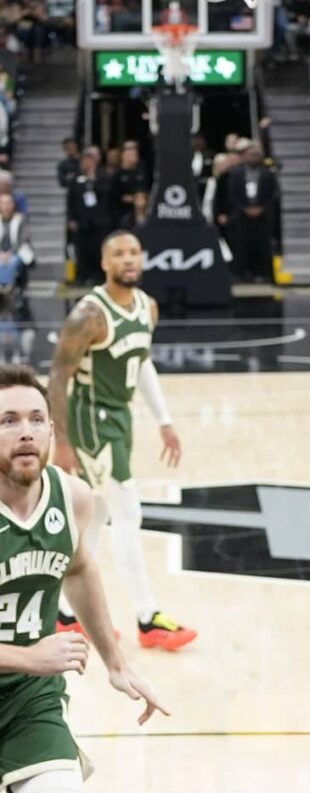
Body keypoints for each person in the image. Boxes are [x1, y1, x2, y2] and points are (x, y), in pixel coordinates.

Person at [0, 364, 168, 793]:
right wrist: (29, 655)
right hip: (29, 667)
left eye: (36, 419)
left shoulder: (71, 497)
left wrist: (117, 665)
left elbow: (78, 568)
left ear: (53, 430)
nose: (26, 432)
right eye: (8, 420)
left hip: (29, 702)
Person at [46, 231, 197, 651]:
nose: (128, 259)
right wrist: (60, 441)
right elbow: (57, 376)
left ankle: (65, 615)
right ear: (105, 262)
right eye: (119, 254)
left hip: (119, 417)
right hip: (90, 422)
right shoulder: (89, 315)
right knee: (127, 513)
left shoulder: (147, 307)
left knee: (95, 516)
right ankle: (148, 618)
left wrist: (164, 420)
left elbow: (141, 362)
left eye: (133, 252)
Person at [220, 143, 280, 282]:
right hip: (241, 215)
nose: (254, 157)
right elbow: (231, 194)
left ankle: (262, 274)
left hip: (262, 216)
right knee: (240, 246)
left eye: (257, 155)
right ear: (244, 156)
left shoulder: (268, 174)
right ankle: (239, 274)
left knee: (262, 247)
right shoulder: (235, 173)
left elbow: (273, 195)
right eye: (251, 154)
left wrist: (261, 208)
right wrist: (244, 208)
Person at [65, 148, 111, 285]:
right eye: (84, 161)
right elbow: (70, 200)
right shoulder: (76, 179)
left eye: (89, 161)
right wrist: (71, 219)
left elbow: (107, 195)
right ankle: (83, 276)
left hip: (99, 222)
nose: (86, 164)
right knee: (82, 250)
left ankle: (98, 276)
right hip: (82, 222)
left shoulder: (103, 177)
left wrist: (93, 181)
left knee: (97, 249)